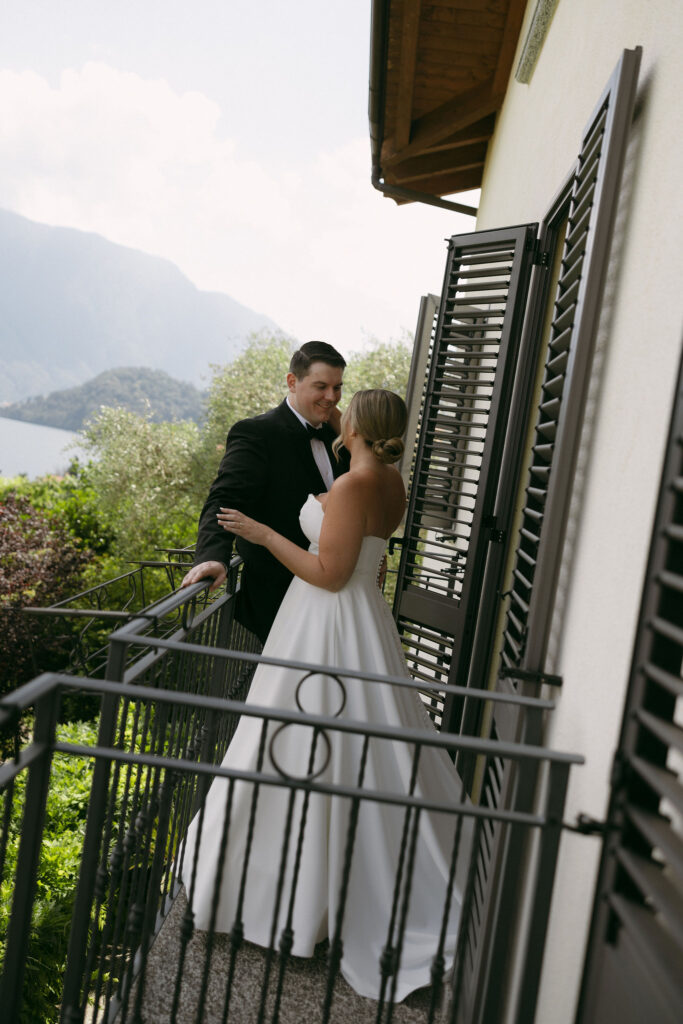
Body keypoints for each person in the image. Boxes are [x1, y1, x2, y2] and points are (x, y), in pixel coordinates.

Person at [179, 389, 469, 1003]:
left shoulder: (354, 485)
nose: (338, 411)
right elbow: (363, 557)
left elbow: (328, 574)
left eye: (348, 408)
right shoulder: (389, 480)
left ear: (359, 426)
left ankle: (283, 903)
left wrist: (260, 534)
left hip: (326, 624)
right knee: (335, 746)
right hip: (361, 619)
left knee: (298, 742)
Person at [181, 341, 349, 643]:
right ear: (292, 382)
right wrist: (212, 557)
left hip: (336, 597)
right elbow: (224, 500)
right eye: (321, 386)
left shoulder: (342, 437)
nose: (331, 397)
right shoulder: (257, 433)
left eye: (337, 388)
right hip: (279, 599)